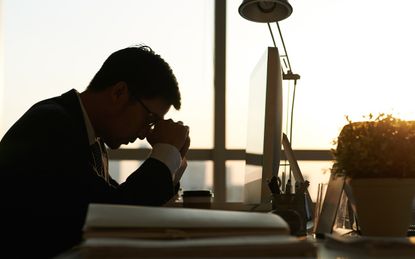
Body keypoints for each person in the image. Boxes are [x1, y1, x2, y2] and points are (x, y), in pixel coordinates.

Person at [0, 45, 190, 258]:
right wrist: (166, 153)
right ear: (119, 93)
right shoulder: (51, 125)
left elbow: (121, 201)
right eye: (150, 119)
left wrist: (173, 162)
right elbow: (114, 216)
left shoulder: (87, 134)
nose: (146, 133)